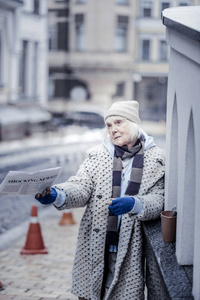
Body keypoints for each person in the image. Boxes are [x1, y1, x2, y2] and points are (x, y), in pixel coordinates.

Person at [35, 100, 165, 300]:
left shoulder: (156, 158)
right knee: (89, 293)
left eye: (119, 122)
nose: (113, 129)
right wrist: (58, 194)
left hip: (132, 244)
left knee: (125, 294)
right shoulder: (98, 155)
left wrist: (136, 204)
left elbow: (160, 197)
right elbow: (81, 186)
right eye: (109, 125)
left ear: (132, 123)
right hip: (97, 240)